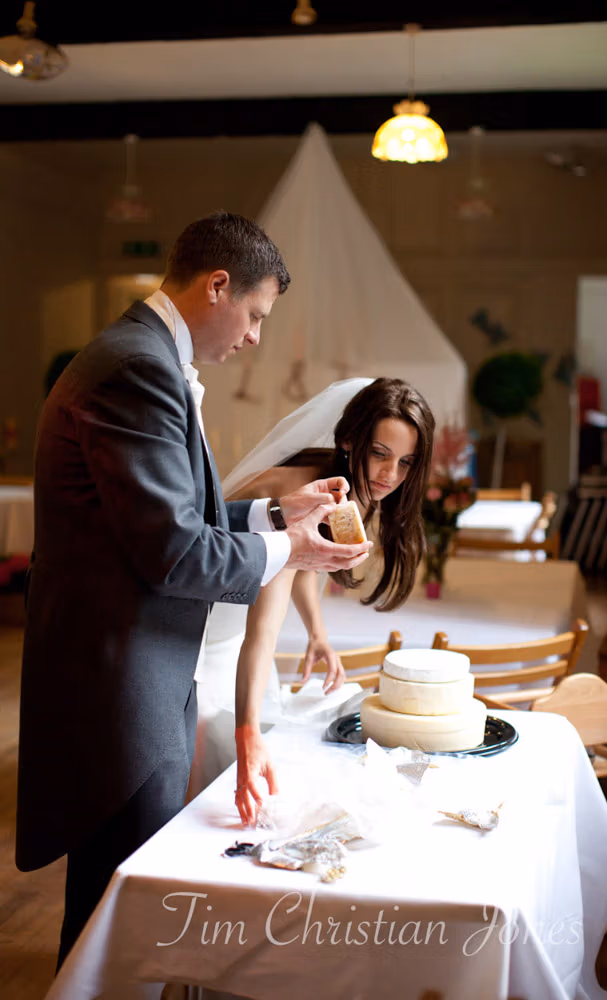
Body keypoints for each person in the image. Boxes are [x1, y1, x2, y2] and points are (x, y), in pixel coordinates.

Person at [15, 210, 371, 969]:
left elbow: (169, 517)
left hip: (132, 672)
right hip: (119, 684)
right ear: (218, 286)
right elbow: (174, 554)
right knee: (116, 913)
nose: (253, 337)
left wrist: (282, 512)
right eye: (256, 315)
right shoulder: (135, 367)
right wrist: (290, 551)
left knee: (119, 903)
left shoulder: (138, 356)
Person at [189, 377, 435, 824]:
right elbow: (261, 632)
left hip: (242, 627)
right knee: (225, 768)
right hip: (202, 637)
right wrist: (245, 733)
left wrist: (318, 633)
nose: (390, 476)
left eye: (406, 463)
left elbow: (300, 563)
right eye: (380, 454)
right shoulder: (297, 494)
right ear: (348, 439)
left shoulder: (347, 484)